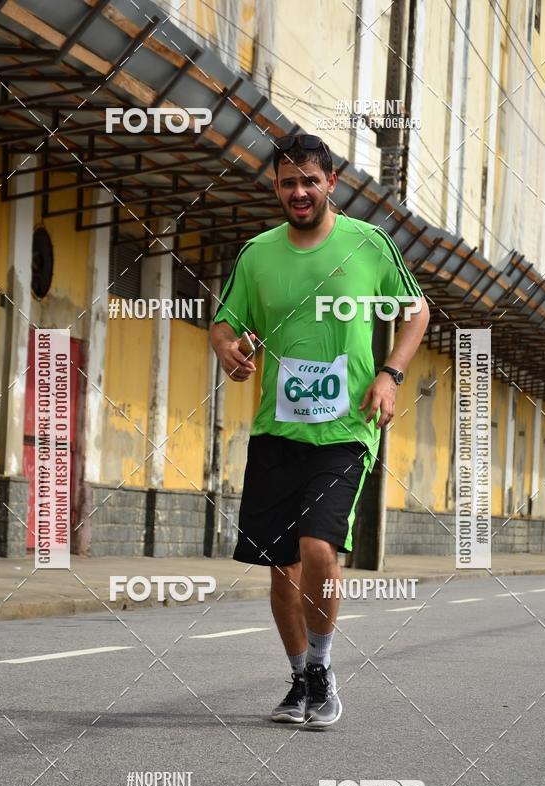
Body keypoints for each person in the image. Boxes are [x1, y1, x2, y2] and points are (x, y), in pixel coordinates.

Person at [210, 134, 429, 729]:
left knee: (316, 550)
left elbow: (416, 310)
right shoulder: (257, 254)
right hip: (276, 431)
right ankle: (300, 675)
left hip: (345, 431)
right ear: (276, 187)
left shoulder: (368, 245)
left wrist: (389, 374)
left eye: (310, 180)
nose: (298, 192)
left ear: (331, 182)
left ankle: (324, 670)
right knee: (280, 567)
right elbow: (225, 325)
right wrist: (232, 352)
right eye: (287, 182)